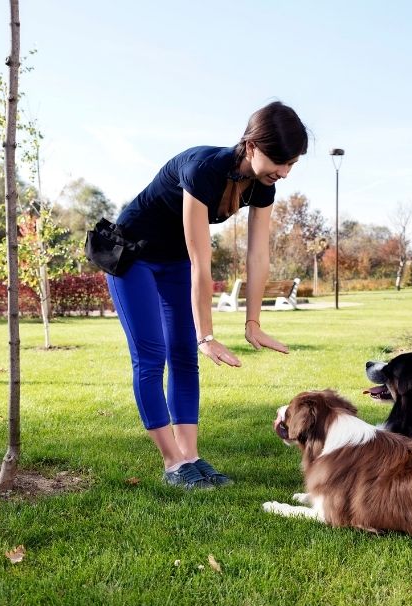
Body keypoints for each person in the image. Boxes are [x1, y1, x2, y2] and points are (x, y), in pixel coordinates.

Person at [106, 101, 308, 490]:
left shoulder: (263, 186)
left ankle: (192, 457)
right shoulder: (204, 169)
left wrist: (254, 323)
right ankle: (172, 462)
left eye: (291, 164)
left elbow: (258, 254)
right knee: (152, 356)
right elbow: (202, 260)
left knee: (184, 357)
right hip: (133, 256)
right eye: (278, 161)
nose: (283, 172)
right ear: (251, 147)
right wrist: (208, 336)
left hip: (174, 260)